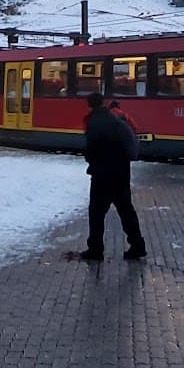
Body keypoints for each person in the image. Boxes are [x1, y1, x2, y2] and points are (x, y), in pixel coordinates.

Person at [80, 93, 146, 262]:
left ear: (89, 105)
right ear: (103, 103)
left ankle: (95, 249)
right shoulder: (115, 119)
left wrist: (93, 162)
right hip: (121, 174)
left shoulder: (94, 122)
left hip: (102, 176)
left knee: (96, 213)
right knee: (126, 211)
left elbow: (92, 150)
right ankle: (137, 245)